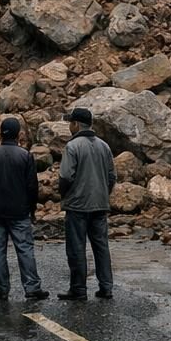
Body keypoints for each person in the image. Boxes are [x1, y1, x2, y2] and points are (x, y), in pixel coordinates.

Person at [0, 116, 49, 301]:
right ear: (19, 134)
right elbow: (32, 186)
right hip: (19, 211)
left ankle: (2, 289)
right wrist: (32, 209)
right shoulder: (25, 155)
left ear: (0, 134)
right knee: (25, 249)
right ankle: (32, 287)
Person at [58, 106, 115, 301]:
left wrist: (64, 195)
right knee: (101, 247)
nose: (69, 127)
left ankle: (78, 289)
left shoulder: (72, 147)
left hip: (77, 205)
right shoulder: (104, 146)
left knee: (76, 248)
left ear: (76, 124)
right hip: (100, 204)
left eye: (70, 123)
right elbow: (111, 176)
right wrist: (104, 194)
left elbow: (66, 176)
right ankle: (106, 287)